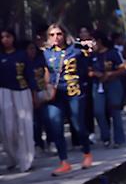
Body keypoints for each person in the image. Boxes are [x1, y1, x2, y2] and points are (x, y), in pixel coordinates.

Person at [42, 24, 92, 175]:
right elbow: (44, 72)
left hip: (74, 92)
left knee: (78, 124)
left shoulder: (75, 51)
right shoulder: (45, 54)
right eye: (51, 35)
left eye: (58, 34)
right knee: (55, 125)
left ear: (64, 35)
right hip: (55, 95)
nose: (55, 38)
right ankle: (64, 161)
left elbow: (86, 67)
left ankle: (87, 153)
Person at [0, 29, 36, 171]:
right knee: (7, 129)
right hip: (3, 92)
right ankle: (12, 157)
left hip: (22, 91)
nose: (5, 40)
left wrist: (34, 94)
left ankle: (26, 160)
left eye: (8, 36)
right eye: (2, 37)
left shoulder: (22, 55)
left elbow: (29, 74)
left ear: (13, 38)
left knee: (25, 126)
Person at [90, 30, 126, 148]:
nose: (92, 44)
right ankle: (105, 136)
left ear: (99, 41)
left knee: (115, 111)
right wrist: (95, 74)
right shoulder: (92, 55)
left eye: (93, 41)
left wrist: (111, 74)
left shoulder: (113, 53)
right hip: (98, 85)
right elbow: (87, 70)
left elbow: (123, 68)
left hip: (113, 84)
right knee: (98, 111)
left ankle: (119, 139)